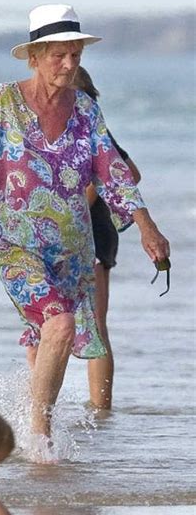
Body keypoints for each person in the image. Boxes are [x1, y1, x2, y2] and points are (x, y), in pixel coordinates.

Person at [0, 4, 170, 442]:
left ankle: (33, 421)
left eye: (74, 55)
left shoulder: (85, 110)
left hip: (73, 251)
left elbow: (114, 171)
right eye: (57, 55)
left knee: (49, 338)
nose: (68, 64)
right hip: (14, 244)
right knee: (59, 325)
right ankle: (40, 437)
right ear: (34, 58)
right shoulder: (2, 102)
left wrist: (146, 226)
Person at [78, 66, 141, 410]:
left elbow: (130, 174)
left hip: (93, 232)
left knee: (95, 325)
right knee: (44, 325)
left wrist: (87, 193)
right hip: (79, 231)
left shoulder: (90, 128)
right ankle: (42, 408)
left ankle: (101, 408)